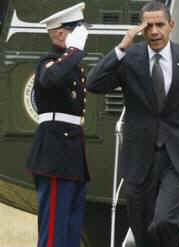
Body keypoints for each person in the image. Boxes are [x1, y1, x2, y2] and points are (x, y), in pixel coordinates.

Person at [86, 1, 179, 247]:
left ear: (171, 25)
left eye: (160, 25)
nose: (155, 31)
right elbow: (93, 84)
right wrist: (122, 46)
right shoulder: (129, 58)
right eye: (148, 26)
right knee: (143, 232)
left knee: (164, 221)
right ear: (141, 29)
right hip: (139, 159)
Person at [26, 2, 90, 247]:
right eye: (77, 30)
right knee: (54, 229)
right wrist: (74, 51)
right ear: (62, 33)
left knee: (72, 228)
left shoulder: (69, 64)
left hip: (71, 153)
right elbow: (52, 78)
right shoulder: (48, 62)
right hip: (54, 153)